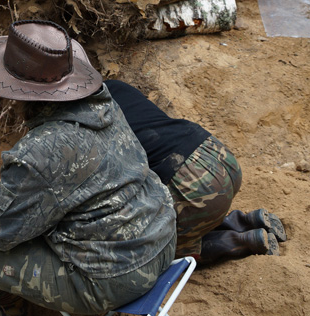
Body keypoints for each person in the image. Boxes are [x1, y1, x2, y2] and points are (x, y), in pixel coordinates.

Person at [0, 20, 177, 316]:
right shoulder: (104, 105)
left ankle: (13, 312)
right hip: (162, 241)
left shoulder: (42, 150)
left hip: (111, 279)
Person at [105, 79, 286, 266]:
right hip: (218, 154)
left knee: (154, 249)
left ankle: (241, 242)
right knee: (189, 213)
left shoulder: (88, 122)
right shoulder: (114, 86)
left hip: (191, 183)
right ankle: (244, 221)